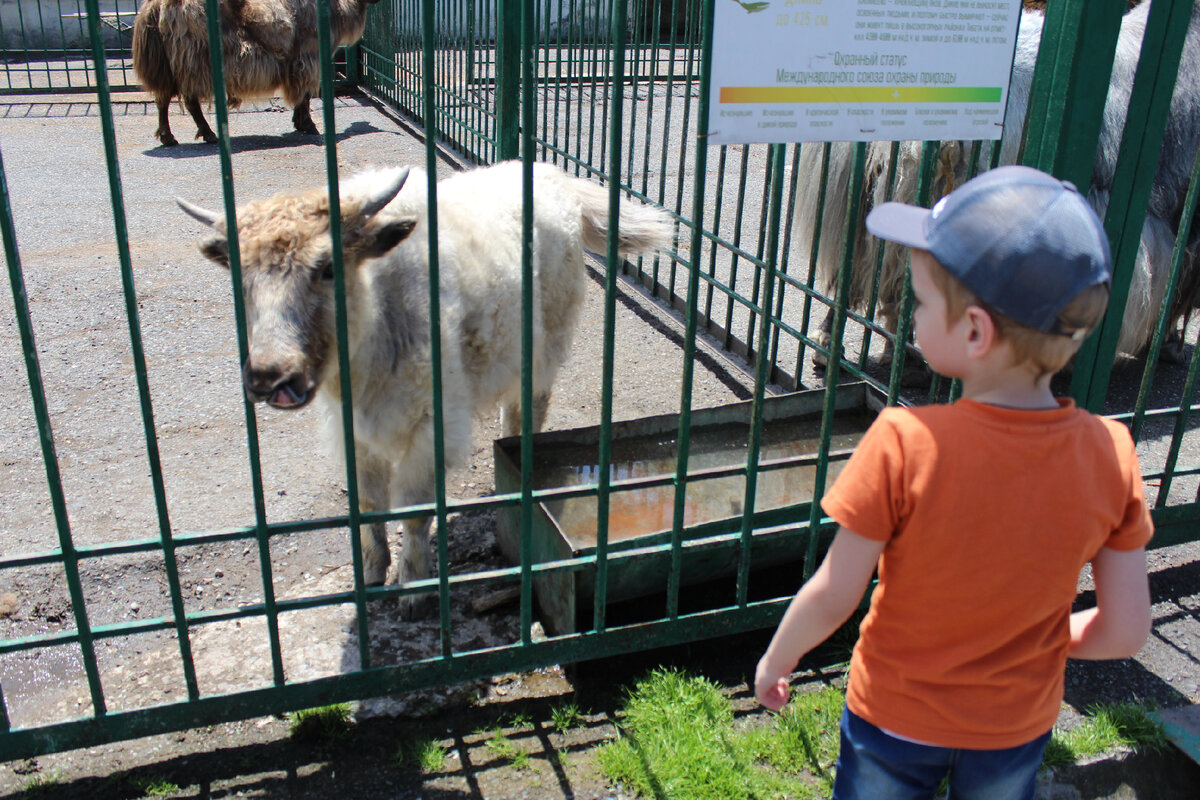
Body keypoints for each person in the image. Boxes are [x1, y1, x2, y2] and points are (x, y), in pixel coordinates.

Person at [754, 165, 1154, 799]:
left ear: (974, 331)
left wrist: (778, 659)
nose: (911, 315)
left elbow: (835, 591)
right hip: (1015, 724)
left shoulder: (903, 443)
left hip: (895, 715)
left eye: (920, 301)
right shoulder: (1112, 452)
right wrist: (1046, 643)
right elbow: (1126, 628)